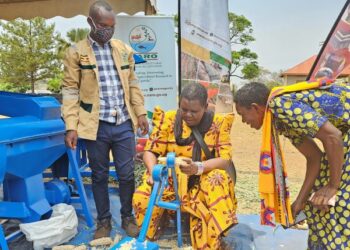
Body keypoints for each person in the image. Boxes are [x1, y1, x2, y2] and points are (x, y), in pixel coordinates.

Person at [61, 0, 149, 239]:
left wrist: (140, 112)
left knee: (127, 174)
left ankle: (128, 217)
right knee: (99, 175)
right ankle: (103, 223)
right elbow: (70, 91)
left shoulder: (122, 49)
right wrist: (71, 126)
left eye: (112, 26)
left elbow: (132, 83)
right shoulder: (76, 52)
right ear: (90, 22)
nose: (107, 30)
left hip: (122, 123)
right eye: (103, 25)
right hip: (94, 126)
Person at [234, 81, 350, 249]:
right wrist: (300, 201)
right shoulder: (279, 121)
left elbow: (333, 137)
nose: (244, 121)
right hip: (342, 140)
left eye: (242, 114)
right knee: (315, 201)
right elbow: (314, 157)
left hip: (343, 139)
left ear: (255, 107)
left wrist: (333, 186)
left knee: (335, 204)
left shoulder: (280, 105)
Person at [133, 83, 238, 249]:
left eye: (194, 111)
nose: (188, 115)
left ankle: (214, 232)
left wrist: (198, 167)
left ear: (205, 107)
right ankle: (160, 223)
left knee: (217, 181)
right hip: (168, 180)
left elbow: (225, 160)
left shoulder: (218, 124)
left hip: (201, 181)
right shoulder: (168, 119)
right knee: (141, 197)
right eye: (184, 109)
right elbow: (150, 150)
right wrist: (153, 171)